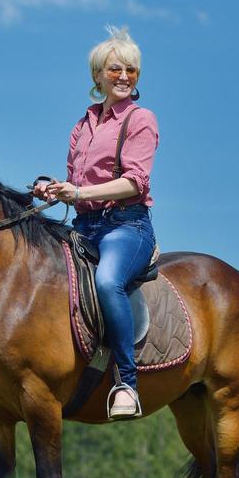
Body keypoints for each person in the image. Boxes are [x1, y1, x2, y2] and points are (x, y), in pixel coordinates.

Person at [34, 27, 159, 419]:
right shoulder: (83, 123)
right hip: (86, 226)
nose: (125, 76)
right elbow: (76, 178)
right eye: (116, 69)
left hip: (128, 226)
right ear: (98, 77)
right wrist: (53, 189)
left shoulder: (141, 119)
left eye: (132, 71)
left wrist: (80, 195)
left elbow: (135, 182)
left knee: (107, 281)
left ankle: (126, 383)